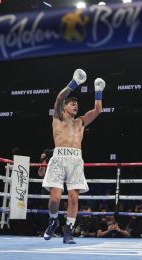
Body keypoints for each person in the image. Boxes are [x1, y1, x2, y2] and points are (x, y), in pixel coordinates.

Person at [42, 69, 105, 244]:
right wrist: (74, 83)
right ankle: (53, 220)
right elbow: (59, 99)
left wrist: (98, 90)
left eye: (77, 105)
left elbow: (98, 110)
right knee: (54, 198)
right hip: (59, 158)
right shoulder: (57, 117)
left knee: (73, 197)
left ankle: (68, 231)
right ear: (65, 107)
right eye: (72, 104)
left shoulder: (81, 122)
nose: (76, 106)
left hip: (76, 159)